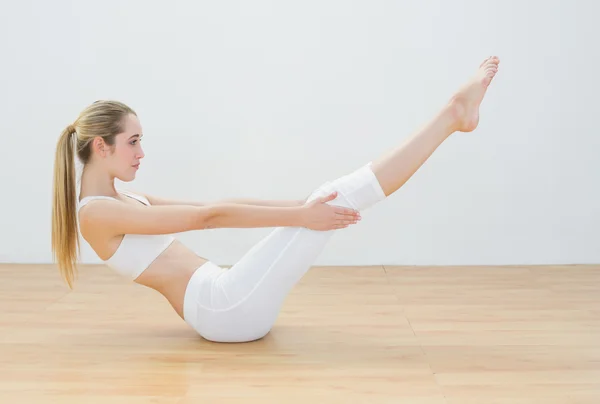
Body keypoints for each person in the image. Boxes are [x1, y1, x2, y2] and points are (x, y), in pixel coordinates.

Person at [52, 56, 500, 343]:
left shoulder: (126, 200)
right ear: (100, 146)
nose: (142, 152)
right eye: (133, 142)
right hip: (222, 309)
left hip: (226, 301)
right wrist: (303, 214)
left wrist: (303, 205)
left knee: (330, 194)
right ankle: (452, 117)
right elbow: (208, 217)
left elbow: (216, 203)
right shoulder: (97, 215)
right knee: (336, 196)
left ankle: (453, 116)